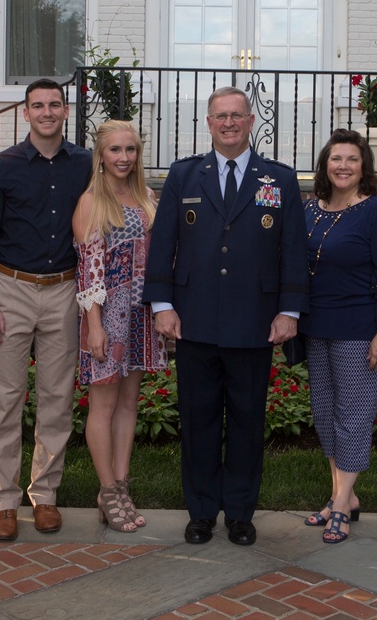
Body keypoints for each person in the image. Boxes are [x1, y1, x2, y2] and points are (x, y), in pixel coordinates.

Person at [143, 86, 309, 546]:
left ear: (251, 121)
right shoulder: (183, 175)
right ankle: (200, 512)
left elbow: (293, 248)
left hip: (255, 320)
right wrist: (162, 306)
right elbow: (164, 246)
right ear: (209, 122)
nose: (229, 123)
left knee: (246, 420)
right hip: (192, 318)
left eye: (237, 116)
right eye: (221, 116)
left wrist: (289, 311)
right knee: (198, 421)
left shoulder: (278, 179)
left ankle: (239, 512)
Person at [0, 79, 92, 541]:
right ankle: (3, 501)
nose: (46, 112)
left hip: (63, 289)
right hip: (11, 289)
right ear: (25, 114)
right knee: (5, 400)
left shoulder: (85, 164)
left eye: (54, 104)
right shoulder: (1, 168)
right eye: (37, 105)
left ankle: (44, 496)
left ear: (65, 111)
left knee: (57, 398)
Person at [300, 129, 377, 544]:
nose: (343, 166)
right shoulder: (310, 210)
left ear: (363, 166)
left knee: (354, 416)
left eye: (351, 159)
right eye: (335, 159)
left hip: (359, 332)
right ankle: (342, 496)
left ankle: (341, 504)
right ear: (325, 165)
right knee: (327, 414)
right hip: (318, 328)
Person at [72, 120, 167, 532]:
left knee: (130, 403)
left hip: (140, 313)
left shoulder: (147, 196)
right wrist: (94, 325)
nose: (124, 158)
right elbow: (88, 268)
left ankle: (122, 486)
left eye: (130, 150)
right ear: (101, 155)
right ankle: (106, 490)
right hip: (107, 314)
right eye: (115, 150)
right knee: (104, 405)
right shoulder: (93, 200)